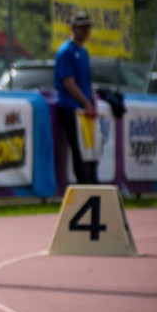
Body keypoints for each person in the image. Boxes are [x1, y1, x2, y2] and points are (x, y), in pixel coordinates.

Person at [54, 10, 99, 184]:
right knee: (78, 146)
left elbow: (86, 81)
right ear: (73, 28)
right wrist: (85, 102)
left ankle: (92, 178)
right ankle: (83, 183)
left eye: (87, 27)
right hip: (69, 106)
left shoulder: (84, 52)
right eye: (82, 27)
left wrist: (92, 102)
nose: (86, 31)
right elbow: (68, 82)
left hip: (83, 107)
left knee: (90, 145)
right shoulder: (67, 51)